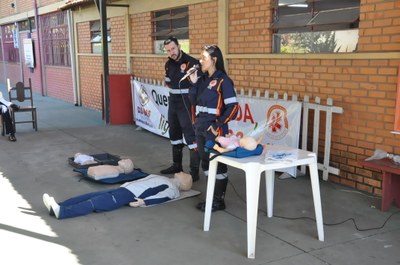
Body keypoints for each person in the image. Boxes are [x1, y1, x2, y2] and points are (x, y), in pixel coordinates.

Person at [188, 44, 239, 212]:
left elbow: (233, 108)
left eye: (204, 57)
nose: (200, 60)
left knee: (217, 163)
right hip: (200, 127)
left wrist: (218, 125)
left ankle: (218, 200)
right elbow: (193, 101)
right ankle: (211, 197)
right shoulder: (202, 79)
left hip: (214, 130)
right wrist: (194, 83)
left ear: (214, 60)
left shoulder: (223, 81)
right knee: (205, 162)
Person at [42, 172, 193, 219]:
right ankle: (59, 205)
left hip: (130, 195)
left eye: (184, 174)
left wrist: (144, 202)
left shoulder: (173, 188)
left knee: (96, 202)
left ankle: (62, 212)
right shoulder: (166, 179)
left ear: (184, 181)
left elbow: (163, 197)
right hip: (125, 189)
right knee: (90, 195)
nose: (181, 172)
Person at [160, 36, 200, 182]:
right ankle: (177, 165)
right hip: (173, 103)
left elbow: (198, 85)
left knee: (191, 137)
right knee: (174, 134)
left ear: (179, 46)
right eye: (168, 50)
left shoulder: (192, 62)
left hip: (187, 104)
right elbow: (168, 81)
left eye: (173, 48)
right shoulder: (168, 64)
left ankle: (194, 172)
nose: (171, 52)